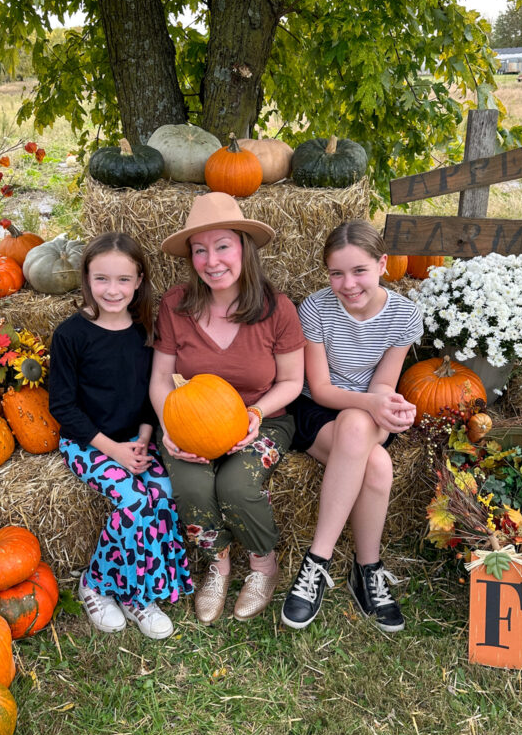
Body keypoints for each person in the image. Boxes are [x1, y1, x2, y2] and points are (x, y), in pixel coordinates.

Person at [150, 192, 305, 624]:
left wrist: (255, 415)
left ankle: (263, 564)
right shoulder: (176, 305)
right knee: (194, 486)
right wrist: (169, 427)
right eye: (200, 250)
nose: (211, 260)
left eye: (222, 246)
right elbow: (161, 378)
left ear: (243, 248)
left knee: (236, 486)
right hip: (189, 422)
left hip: (264, 419)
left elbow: (292, 382)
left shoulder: (277, 309)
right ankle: (218, 566)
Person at [49, 231, 193, 640]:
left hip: (136, 441)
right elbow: (62, 408)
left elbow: (152, 397)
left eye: (123, 280)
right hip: (88, 443)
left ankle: (134, 592)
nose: (113, 290)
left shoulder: (145, 333)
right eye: (102, 279)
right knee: (132, 501)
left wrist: (145, 440)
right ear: (86, 280)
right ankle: (96, 583)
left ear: (140, 281)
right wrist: (113, 451)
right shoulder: (71, 335)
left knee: (162, 491)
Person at [280, 221, 423, 633]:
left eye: (359, 270)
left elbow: (383, 382)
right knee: (376, 465)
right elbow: (321, 389)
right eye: (336, 273)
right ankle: (365, 569)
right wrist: (371, 403)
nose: (348, 283)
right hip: (319, 412)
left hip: (370, 411)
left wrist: (386, 405)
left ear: (382, 264)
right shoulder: (316, 309)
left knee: (360, 426)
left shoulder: (404, 315)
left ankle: (316, 564)